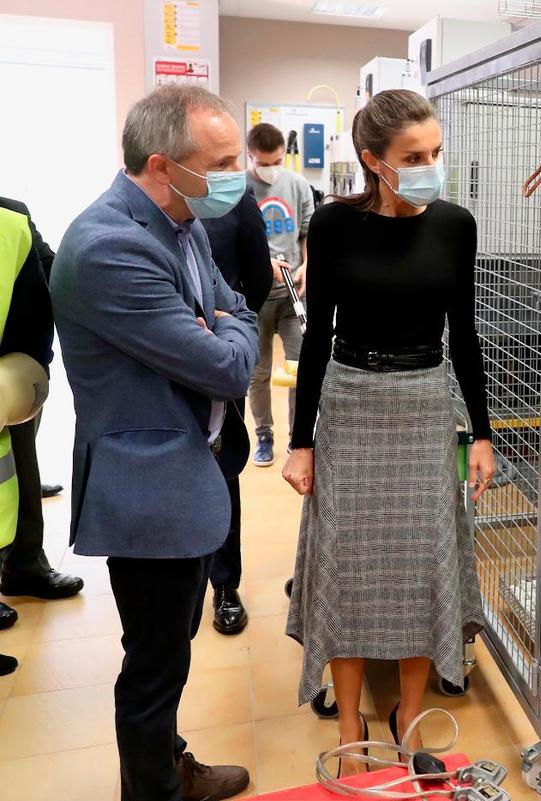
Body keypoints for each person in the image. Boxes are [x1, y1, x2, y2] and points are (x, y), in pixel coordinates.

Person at [51, 85, 257, 801]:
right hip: (148, 489)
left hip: (189, 474)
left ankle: (170, 760)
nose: (239, 173)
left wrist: (226, 325)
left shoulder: (182, 222)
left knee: (170, 648)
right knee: (153, 665)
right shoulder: (109, 246)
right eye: (224, 161)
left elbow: (236, 308)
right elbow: (230, 364)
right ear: (166, 164)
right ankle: (154, 790)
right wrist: (227, 332)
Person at [281, 89, 494, 775]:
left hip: (424, 402)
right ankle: (349, 722)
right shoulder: (335, 224)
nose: (430, 165)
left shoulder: (455, 225)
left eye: (435, 152)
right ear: (373, 161)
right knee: (346, 567)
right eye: (413, 156)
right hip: (350, 402)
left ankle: (407, 720)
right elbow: (317, 337)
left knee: (418, 565)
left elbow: (464, 335)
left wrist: (482, 433)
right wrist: (301, 440)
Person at [0, 198, 83, 625]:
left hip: (10, 375)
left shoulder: (11, 215)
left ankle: (24, 564)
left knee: (18, 474)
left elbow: (51, 273)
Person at [200, 187, 273, 635]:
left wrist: (232, 326)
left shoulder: (234, 200)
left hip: (219, 357)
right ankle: (182, 578)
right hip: (160, 355)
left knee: (221, 467)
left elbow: (259, 277)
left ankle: (224, 586)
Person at [0, 202, 55, 677]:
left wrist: (22, 380)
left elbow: (43, 293)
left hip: (3, 395)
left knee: (12, 486)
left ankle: (22, 563)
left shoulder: (11, 221)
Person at [245, 122, 313, 468]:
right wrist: (261, 260)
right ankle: (264, 435)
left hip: (292, 294)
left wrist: (306, 265)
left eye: (276, 161)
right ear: (251, 156)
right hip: (255, 298)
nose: (270, 168)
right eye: (263, 162)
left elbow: (307, 232)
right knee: (258, 372)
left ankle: (297, 438)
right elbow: (236, 240)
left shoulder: (298, 185)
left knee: (299, 368)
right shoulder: (241, 186)